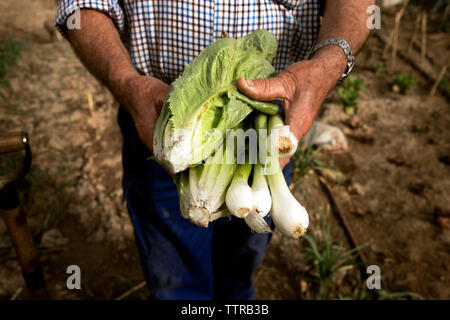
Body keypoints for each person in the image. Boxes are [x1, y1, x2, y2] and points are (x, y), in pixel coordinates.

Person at [55, 0, 372, 299]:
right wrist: (125, 81)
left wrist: (328, 64)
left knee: (242, 259)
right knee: (173, 271)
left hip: (267, 131)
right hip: (154, 114)